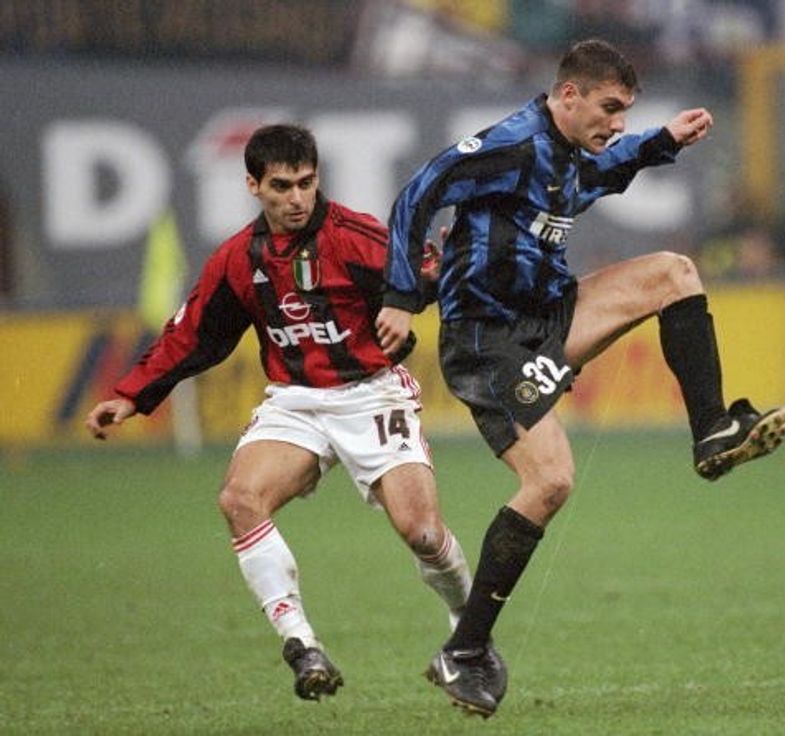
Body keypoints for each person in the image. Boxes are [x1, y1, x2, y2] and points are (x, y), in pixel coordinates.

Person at [376, 39, 785, 717]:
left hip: (549, 316)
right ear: (568, 95)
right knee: (551, 481)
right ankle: (466, 649)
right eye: (610, 107)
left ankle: (713, 430)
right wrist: (399, 294)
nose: (617, 122)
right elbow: (419, 192)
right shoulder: (510, 144)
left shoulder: (572, 153)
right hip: (486, 342)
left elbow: (605, 172)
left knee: (673, 272)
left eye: (625, 110)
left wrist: (661, 141)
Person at [84, 124, 505, 703]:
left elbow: (427, 276)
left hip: (372, 394)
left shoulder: (357, 237)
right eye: (281, 186)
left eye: (306, 183)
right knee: (238, 499)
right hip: (296, 403)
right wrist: (130, 393)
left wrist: (409, 300)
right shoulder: (238, 258)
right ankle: (302, 645)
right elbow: (192, 334)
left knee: (424, 534)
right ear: (253, 185)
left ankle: (468, 633)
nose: (297, 198)